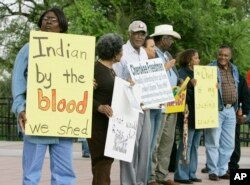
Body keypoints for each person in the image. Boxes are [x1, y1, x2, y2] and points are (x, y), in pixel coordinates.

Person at [11, 7, 76, 185]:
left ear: (62, 25)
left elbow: (76, 79)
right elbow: (17, 80)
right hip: (36, 119)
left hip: (64, 121)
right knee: (31, 173)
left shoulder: (73, 50)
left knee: (65, 174)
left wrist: (86, 84)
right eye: (45, 18)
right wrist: (20, 108)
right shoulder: (28, 48)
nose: (48, 21)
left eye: (53, 19)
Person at [113, 20, 151, 185]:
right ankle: (128, 182)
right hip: (128, 105)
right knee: (129, 147)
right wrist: (126, 82)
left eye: (142, 34)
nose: (139, 36)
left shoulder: (144, 52)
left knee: (145, 147)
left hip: (145, 104)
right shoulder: (121, 51)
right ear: (129, 34)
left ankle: (141, 182)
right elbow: (114, 77)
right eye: (136, 33)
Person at [87, 33, 123, 185]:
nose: (122, 53)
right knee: (102, 161)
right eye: (120, 50)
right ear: (114, 53)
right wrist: (99, 107)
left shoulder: (111, 70)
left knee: (105, 162)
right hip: (97, 125)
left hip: (108, 124)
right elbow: (83, 95)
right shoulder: (95, 69)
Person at [149, 24, 181, 185]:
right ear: (162, 39)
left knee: (167, 141)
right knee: (156, 139)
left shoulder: (167, 54)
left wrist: (179, 80)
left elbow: (172, 75)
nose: (172, 42)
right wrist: (165, 67)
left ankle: (161, 174)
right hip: (159, 102)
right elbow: (150, 75)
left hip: (172, 102)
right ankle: (151, 176)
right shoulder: (153, 53)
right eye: (170, 39)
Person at [205, 45, 239, 181]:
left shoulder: (234, 69)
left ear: (230, 56)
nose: (223, 57)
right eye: (221, 55)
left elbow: (236, 86)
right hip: (215, 109)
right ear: (217, 55)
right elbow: (201, 87)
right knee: (213, 141)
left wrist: (239, 106)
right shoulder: (209, 68)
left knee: (229, 143)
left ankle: (222, 169)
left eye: (226, 55)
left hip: (231, 110)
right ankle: (213, 170)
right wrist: (209, 86)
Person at [173, 49, 202, 184]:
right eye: (196, 58)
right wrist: (190, 86)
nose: (198, 60)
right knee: (186, 144)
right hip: (187, 114)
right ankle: (181, 174)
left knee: (195, 145)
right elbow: (180, 93)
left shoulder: (199, 74)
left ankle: (191, 172)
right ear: (190, 60)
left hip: (200, 114)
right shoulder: (182, 73)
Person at [143, 36, 163, 181]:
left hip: (158, 108)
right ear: (143, 49)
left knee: (153, 145)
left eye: (154, 46)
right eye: (151, 46)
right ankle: (145, 178)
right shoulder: (140, 64)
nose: (154, 49)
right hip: (147, 109)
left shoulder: (157, 62)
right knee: (147, 145)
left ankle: (149, 176)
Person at [228, 74, 250, 170]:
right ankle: (232, 163)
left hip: (236, 110)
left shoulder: (239, 77)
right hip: (236, 110)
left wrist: (244, 113)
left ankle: (232, 163)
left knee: (234, 137)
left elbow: (245, 94)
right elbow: (246, 94)